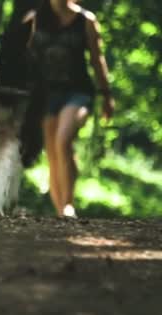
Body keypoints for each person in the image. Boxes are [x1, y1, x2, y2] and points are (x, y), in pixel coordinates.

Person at [23, 0, 115, 217]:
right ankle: (61, 213)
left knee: (63, 141)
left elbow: (96, 59)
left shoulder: (86, 21)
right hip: (45, 95)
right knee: (53, 153)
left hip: (78, 93)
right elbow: (21, 58)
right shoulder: (34, 19)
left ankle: (68, 205)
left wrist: (106, 95)